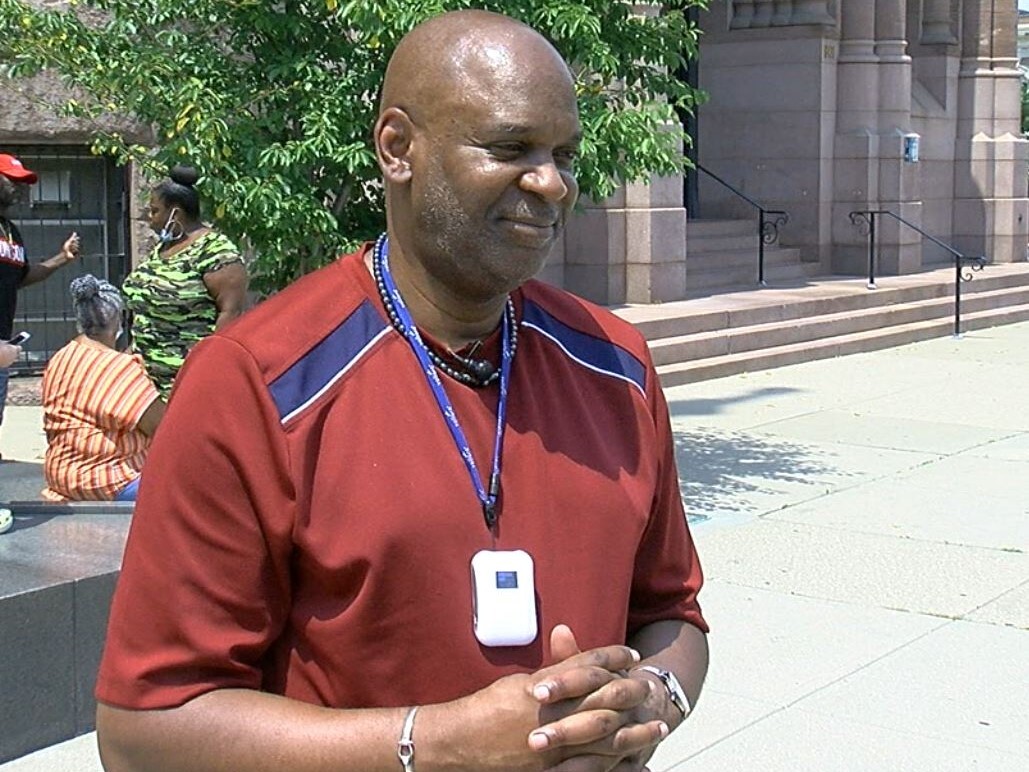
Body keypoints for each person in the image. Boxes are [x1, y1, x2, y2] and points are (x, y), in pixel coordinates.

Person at [95, 10, 709, 772]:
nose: (551, 183)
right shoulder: (253, 381)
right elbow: (143, 733)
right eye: (510, 147)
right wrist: (437, 745)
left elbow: (673, 617)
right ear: (397, 149)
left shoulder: (616, 367)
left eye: (563, 154)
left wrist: (652, 698)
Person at [121, 164, 248, 398]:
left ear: (175, 214)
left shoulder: (218, 254)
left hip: (187, 385)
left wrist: (203, 375)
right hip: (143, 385)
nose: (150, 220)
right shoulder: (163, 248)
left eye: (154, 211)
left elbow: (230, 317)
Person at [40, 275, 165, 502]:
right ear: (118, 319)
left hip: (62, 474)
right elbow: (162, 428)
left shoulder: (62, 357)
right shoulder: (117, 368)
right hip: (108, 479)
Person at [0, 152, 80, 452]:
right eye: (13, 181)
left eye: (23, 183)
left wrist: (63, 258)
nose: (20, 189)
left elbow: (19, 276)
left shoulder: (11, 232)